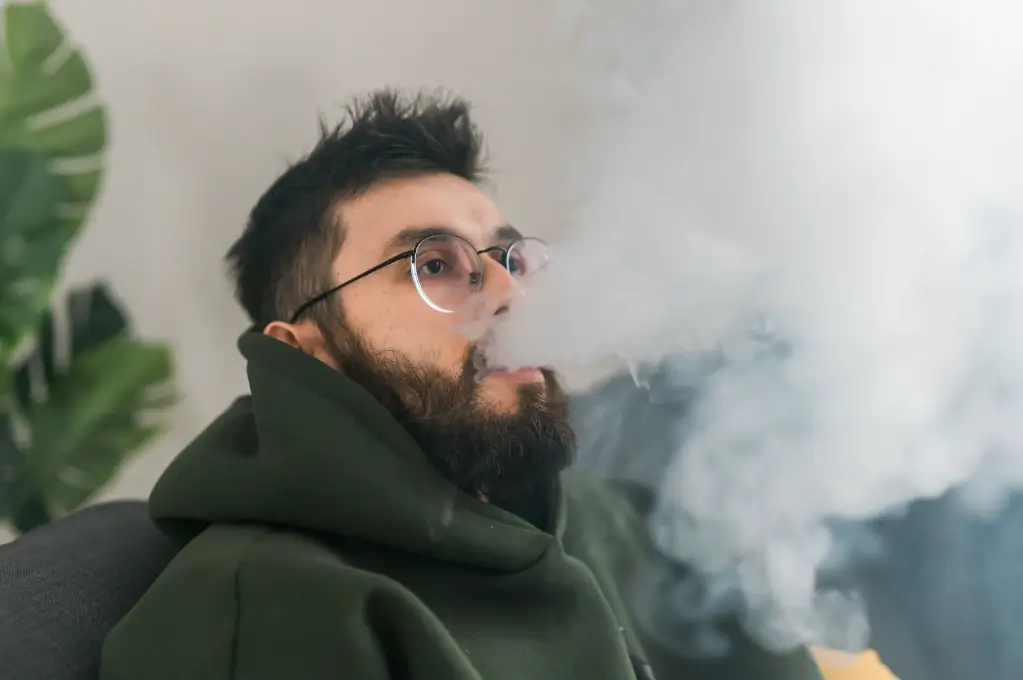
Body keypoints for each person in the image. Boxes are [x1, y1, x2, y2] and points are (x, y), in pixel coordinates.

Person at [99, 89, 823, 680]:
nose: (506, 292)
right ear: (302, 350)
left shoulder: (620, 524)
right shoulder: (273, 613)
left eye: (510, 257)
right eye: (434, 265)